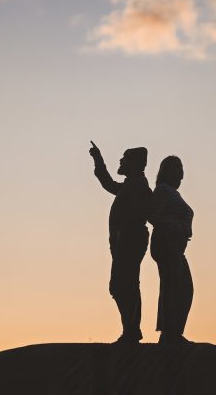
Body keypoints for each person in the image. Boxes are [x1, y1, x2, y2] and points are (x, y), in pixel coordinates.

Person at [88, 141, 152, 343]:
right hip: (124, 241)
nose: (121, 161)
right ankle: (131, 329)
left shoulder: (138, 185)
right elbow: (108, 184)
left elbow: (137, 213)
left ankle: (131, 331)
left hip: (130, 241)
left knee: (124, 285)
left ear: (134, 163)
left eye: (124, 158)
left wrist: (122, 235)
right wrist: (98, 159)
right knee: (122, 285)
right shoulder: (131, 184)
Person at [149, 155, 194, 344]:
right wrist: (175, 227)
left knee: (183, 288)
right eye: (176, 167)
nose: (181, 172)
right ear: (166, 170)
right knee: (174, 287)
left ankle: (172, 332)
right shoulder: (162, 191)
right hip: (167, 244)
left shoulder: (171, 192)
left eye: (182, 167)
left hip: (175, 247)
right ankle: (169, 333)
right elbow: (152, 215)